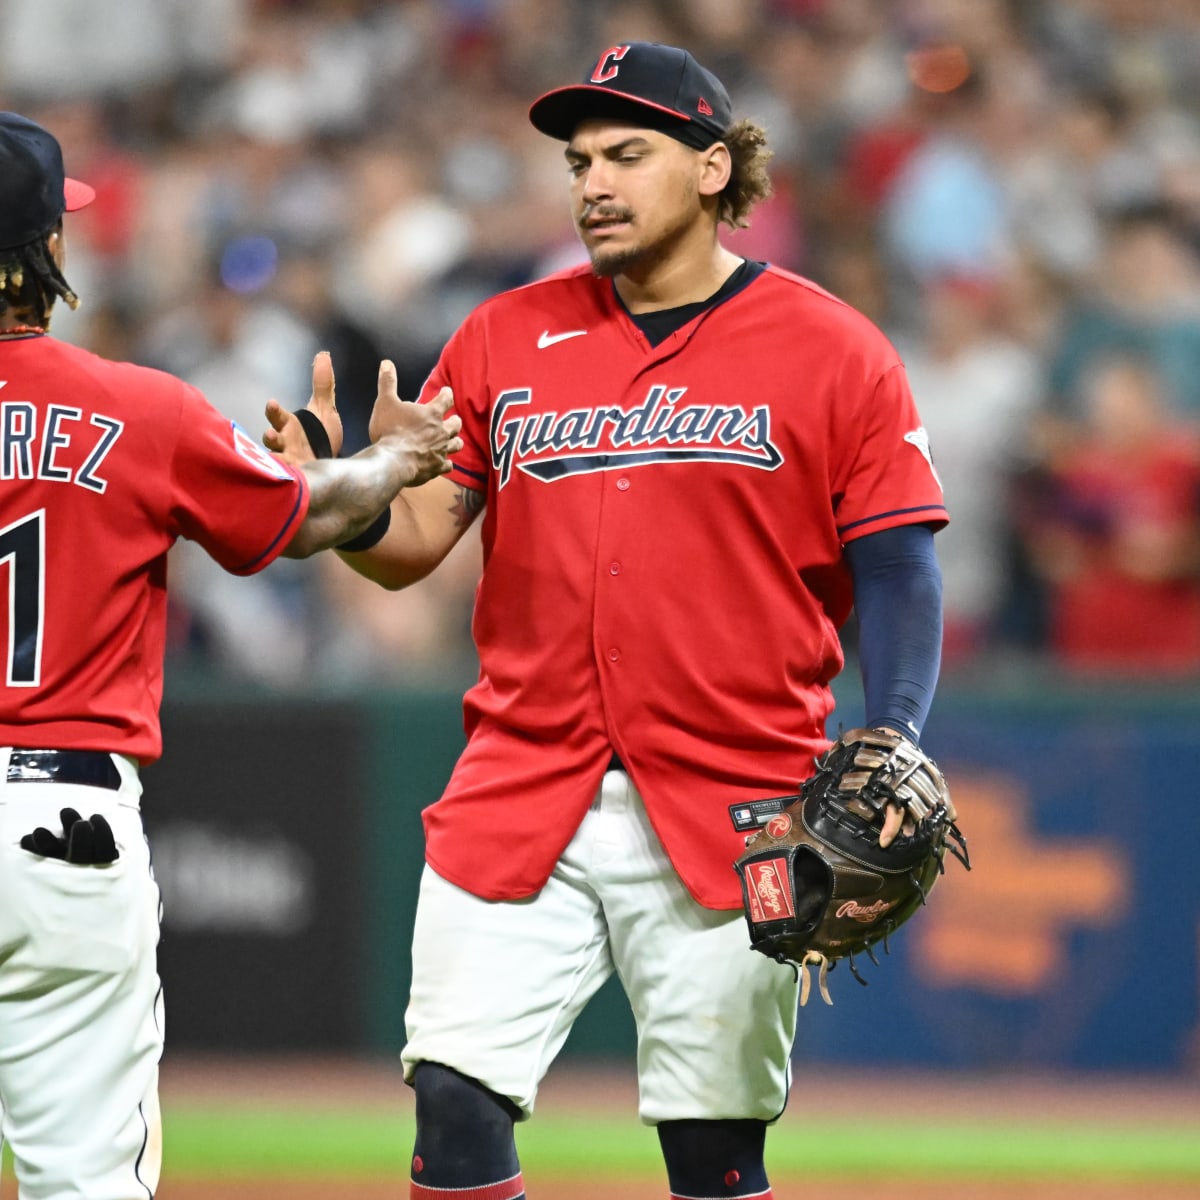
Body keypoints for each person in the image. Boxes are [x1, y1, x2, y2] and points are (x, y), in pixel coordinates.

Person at [273, 41, 950, 1200]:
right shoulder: (502, 335)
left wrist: (892, 732)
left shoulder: (833, 347)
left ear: (713, 168)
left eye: (627, 153)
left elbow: (897, 569)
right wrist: (336, 501)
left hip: (739, 796)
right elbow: (419, 543)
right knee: (452, 1104)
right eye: (579, 158)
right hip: (522, 776)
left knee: (713, 1149)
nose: (592, 181)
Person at [0, 110, 461, 1200]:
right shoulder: (137, 406)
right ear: (49, 251)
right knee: (86, 1182)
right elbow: (307, 514)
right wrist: (393, 458)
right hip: (61, 821)